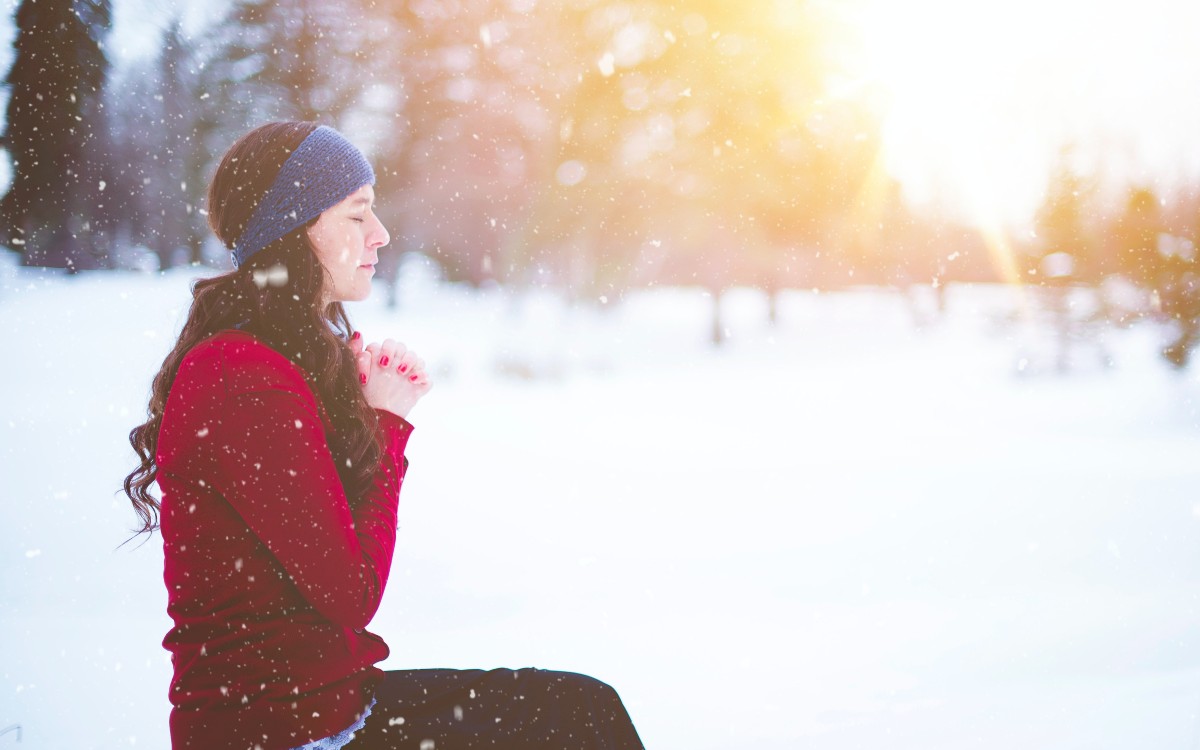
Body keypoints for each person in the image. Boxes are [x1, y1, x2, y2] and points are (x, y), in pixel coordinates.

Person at [123, 121, 645, 750]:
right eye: (356, 215)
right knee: (575, 721)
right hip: (283, 735)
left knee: (581, 712)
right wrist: (387, 425)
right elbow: (351, 592)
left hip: (335, 708)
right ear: (296, 228)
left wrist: (363, 414)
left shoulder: (276, 361)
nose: (381, 235)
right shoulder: (243, 377)